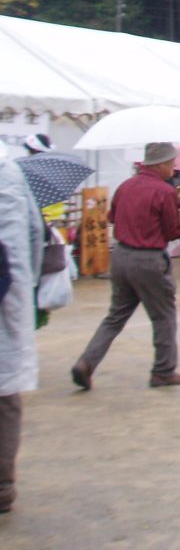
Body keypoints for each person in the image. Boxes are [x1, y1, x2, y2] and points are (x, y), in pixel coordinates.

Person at [71, 142, 180, 390]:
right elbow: (172, 231)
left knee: (115, 316)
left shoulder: (126, 186)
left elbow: (113, 218)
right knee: (163, 316)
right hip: (149, 259)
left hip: (122, 256)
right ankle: (163, 371)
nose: (173, 167)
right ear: (158, 165)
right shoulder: (165, 192)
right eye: (171, 163)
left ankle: (86, 362)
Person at [0, 153, 45, 514]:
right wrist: (27, 288)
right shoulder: (8, 169)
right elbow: (35, 232)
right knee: (4, 398)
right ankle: (2, 487)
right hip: (6, 298)